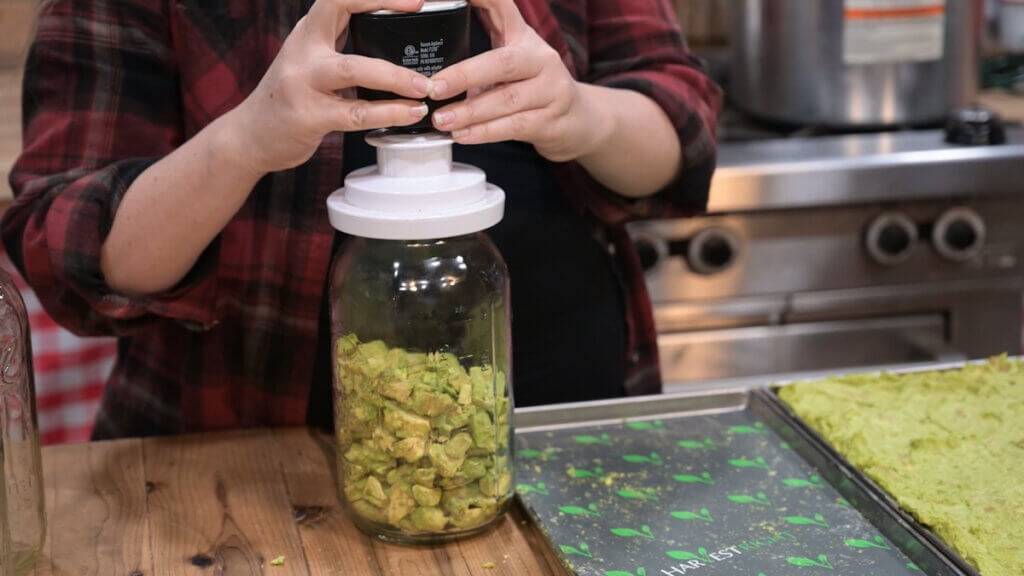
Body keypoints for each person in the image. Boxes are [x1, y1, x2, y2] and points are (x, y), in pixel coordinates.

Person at [2, 0, 719, 439]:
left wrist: (580, 115)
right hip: (248, 454)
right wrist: (246, 139)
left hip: (571, 417)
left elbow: (681, 128)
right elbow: (74, 249)